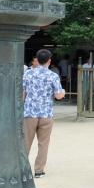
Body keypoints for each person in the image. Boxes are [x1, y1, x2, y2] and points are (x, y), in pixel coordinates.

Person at [22, 49, 65, 177]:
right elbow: (58, 95)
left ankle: (23, 169)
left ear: (36, 60)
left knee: (25, 142)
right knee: (43, 143)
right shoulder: (53, 76)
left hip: (30, 112)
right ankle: (39, 170)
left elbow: (22, 94)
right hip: (46, 113)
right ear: (49, 61)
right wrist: (63, 92)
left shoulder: (27, 74)